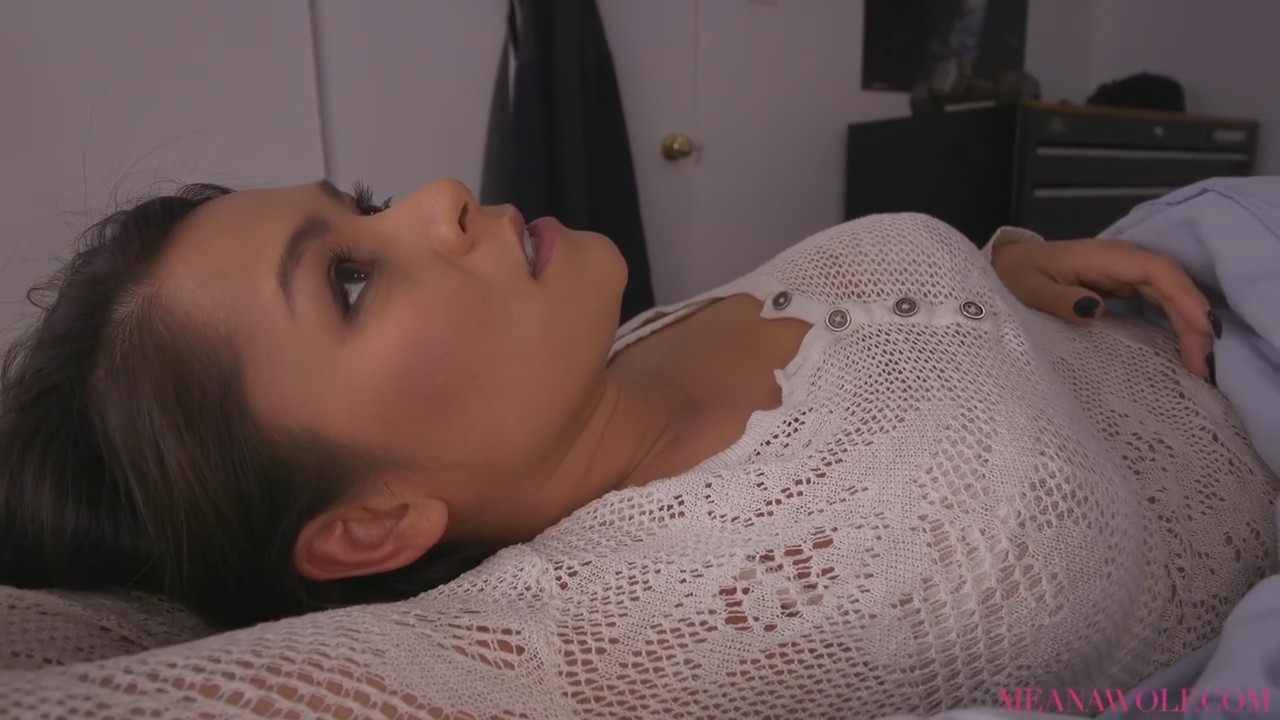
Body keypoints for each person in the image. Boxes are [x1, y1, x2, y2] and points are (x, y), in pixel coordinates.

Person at [0, 177, 1273, 718]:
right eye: (346, 281)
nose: (440, 197)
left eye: (364, 203)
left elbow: (929, 329)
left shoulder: (610, 352)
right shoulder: (618, 633)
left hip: (1205, 274)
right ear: (369, 525)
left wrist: (1009, 265)